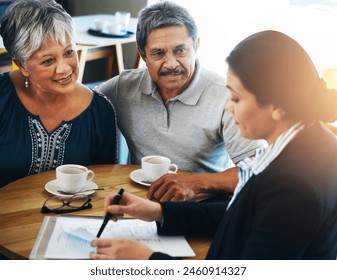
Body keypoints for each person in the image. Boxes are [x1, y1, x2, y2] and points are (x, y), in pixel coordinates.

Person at [90, 30, 337, 260]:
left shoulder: (293, 187)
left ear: (276, 107)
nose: (228, 106)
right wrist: (158, 212)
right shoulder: (305, 143)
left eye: (237, 98)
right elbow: (244, 215)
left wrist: (147, 259)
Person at [96, 1, 265, 202]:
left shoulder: (226, 95)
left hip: (201, 208)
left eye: (180, 50)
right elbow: (83, 102)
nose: (171, 63)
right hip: (139, 202)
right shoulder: (122, 88)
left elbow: (260, 171)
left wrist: (195, 183)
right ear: (142, 54)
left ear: (196, 46)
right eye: (158, 53)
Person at [0, 0, 117, 188]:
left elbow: (104, 185)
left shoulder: (100, 112)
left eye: (69, 52)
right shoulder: (2, 98)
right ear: (22, 65)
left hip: (75, 216)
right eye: (48, 61)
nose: (64, 69)